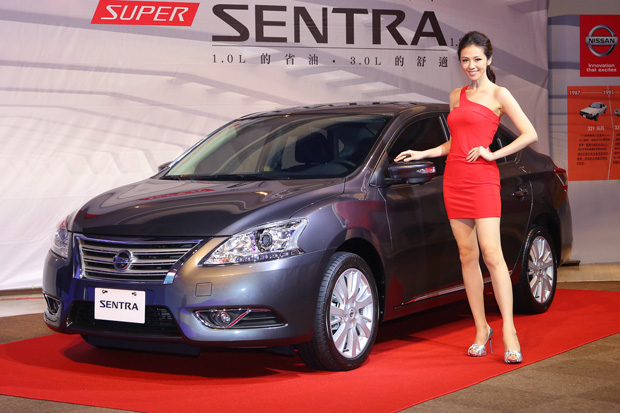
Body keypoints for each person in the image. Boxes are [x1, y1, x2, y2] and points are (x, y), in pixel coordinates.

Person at [395, 31, 537, 364]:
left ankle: (509, 331)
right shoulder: (456, 96)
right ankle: (481, 329)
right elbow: (454, 143)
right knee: (466, 254)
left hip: (483, 180)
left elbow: (530, 133)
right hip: (455, 180)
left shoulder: (499, 94)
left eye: (477, 59)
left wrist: (493, 154)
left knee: (492, 254)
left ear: (488, 59)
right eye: (465, 60)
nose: (471, 65)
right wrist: (422, 153)